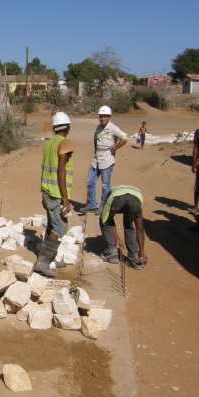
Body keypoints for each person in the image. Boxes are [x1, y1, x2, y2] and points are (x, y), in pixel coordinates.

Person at [34, 112, 73, 278]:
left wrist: (43, 192)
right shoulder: (64, 143)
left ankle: (49, 259)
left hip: (48, 191)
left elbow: (44, 169)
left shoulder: (48, 145)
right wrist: (65, 198)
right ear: (68, 127)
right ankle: (42, 263)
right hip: (57, 193)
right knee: (59, 227)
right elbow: (61, 170)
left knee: (52, 223)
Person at [80, 105, 128, 214]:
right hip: (97, 159)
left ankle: (103, 206)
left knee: (105, 185)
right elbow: (95, 138)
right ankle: (92, 205)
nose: (102, 119)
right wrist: (95, 149)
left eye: (105, 117)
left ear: (109, 117)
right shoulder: (98, 128)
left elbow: (125, 138)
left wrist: (115, 148)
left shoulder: (113, 128)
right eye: (101, 117)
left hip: (107, 160)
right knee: (90, 182)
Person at [99, 185, 147, 270]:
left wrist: (116, 238)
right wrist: (142, 254)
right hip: (135, 200)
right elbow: (139, 228)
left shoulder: (110, 194)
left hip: (117, 198)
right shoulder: (138, 196)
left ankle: (111, 254)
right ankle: (135, 258)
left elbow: (108, 220)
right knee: (129, 225)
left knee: (104, 220)